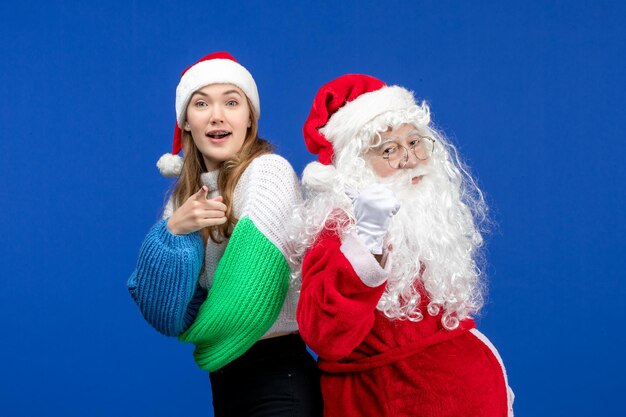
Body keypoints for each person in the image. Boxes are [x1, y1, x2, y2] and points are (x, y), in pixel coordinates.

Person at [293, 74, 514, 416]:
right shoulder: (339, 230)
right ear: (356, 168)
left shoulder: (428, 218)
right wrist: (368, 236)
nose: (411, 159)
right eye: (389, 150)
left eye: (414, 142)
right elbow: (325, 335)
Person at [127, 52, 322, 416]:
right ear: (186, 121)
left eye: (232, 102)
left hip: (280, 377)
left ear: (249, 119)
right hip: (226, 385)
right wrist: (171, 233)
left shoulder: (269, 173)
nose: (217, 115)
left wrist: (197, 327)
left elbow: (249, 297)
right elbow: (161, 312)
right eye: (201, 104)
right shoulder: (184, 202)